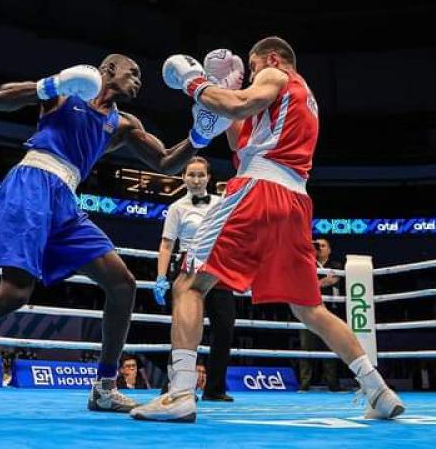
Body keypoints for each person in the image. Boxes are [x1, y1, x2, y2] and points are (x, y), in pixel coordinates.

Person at [0, 54, 221, 413]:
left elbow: (164, 161)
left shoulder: (124, 123)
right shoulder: (68, 94)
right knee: (14, 291)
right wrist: (50, 84)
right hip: (32, 184)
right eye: (134, 72)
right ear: (109, 70)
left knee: (122, 284)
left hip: (66, 200)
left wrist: (199, 135)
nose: (139, 81)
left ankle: (104, 386)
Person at [132, 38, 405, 422]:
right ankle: (378, 389)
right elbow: (238, 132)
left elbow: (240, 105)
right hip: (295, 204)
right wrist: (223, 91)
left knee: (189, 284)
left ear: (273, 59)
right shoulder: (302, 102)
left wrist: (193, 82)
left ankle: (178, 393)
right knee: (310, 308)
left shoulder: (278, 75)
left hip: (257, 190)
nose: (253, 73)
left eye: (253, 64)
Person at [154, 156, 236, 402]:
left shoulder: (222, 204)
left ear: (209, 178)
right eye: (191, 175)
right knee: (184, 327)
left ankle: (215, 388)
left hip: (217, 269)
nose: (196, 179)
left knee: (224, 328)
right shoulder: (177, 207)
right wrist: (160, 276)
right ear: (183, 178)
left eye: (201, 175)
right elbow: (167, 244)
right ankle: (175, 386)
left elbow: (231, 238)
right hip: (188, 269)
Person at [298, 238, 341, 392]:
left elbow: (334, 280)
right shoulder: (307, 263)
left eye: (322, 246)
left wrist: (316, 283)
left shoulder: (336, 265)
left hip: (330, 312)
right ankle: (304, 385)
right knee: (306, 348)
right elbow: (303, 283)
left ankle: (333, 385)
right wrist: (323, 282)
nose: (319, 248)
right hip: (309, 310)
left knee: (330, 347)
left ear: (329, 250)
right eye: (316, 246)